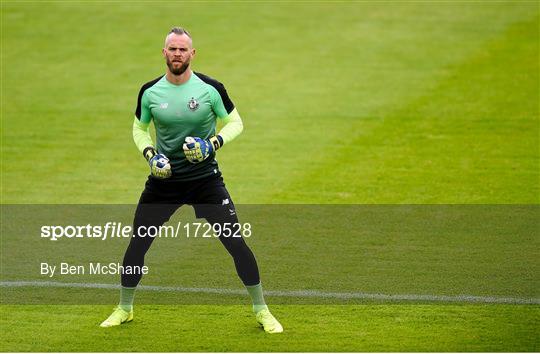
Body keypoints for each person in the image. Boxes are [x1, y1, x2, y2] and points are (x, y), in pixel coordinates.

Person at [100, 27, 283, 334]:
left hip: (204, 181)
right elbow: (139, 128)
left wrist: (212, 144)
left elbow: (236, 122)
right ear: (164, 53)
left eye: (183, 50)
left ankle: (262, 310)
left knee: (236, 244)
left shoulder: (210, 89)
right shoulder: (150, 92)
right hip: (164, 181)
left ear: (192, 54)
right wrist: (150, 155)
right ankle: (124, 308)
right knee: (137, 245)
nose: (177, 54)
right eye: (172, 49)